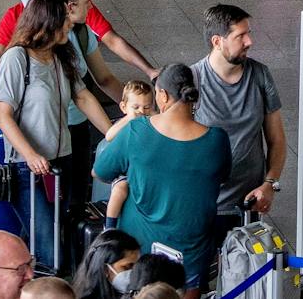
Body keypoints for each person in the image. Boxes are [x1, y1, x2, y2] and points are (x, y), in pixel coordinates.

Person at [0, 0, 113, 269]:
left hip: (62, 163)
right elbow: (4, 114)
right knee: (49, 249)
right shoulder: (17, 59)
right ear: (47, 22)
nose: (70, 23)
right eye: (64, 19)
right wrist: (31, 155)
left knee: (41, 238)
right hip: (27, 169)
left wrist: (111, 134)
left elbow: (82, 97)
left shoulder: (61, 56)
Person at [91, 63, 230, 296]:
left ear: (163, 95)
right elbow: (222, 178)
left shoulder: (137, 131)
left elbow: (100, 171)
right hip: (192, 253)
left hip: (139, 252)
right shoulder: (217, 140)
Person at [189, 4, 286, 251]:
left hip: (246, 204)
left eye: (248, 33)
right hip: (203, 205)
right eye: (240, 36)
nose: (249, 41)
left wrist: (269, 183)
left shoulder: (260, 75)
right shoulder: (193, 81)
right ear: (217, 41)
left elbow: (277, 139)